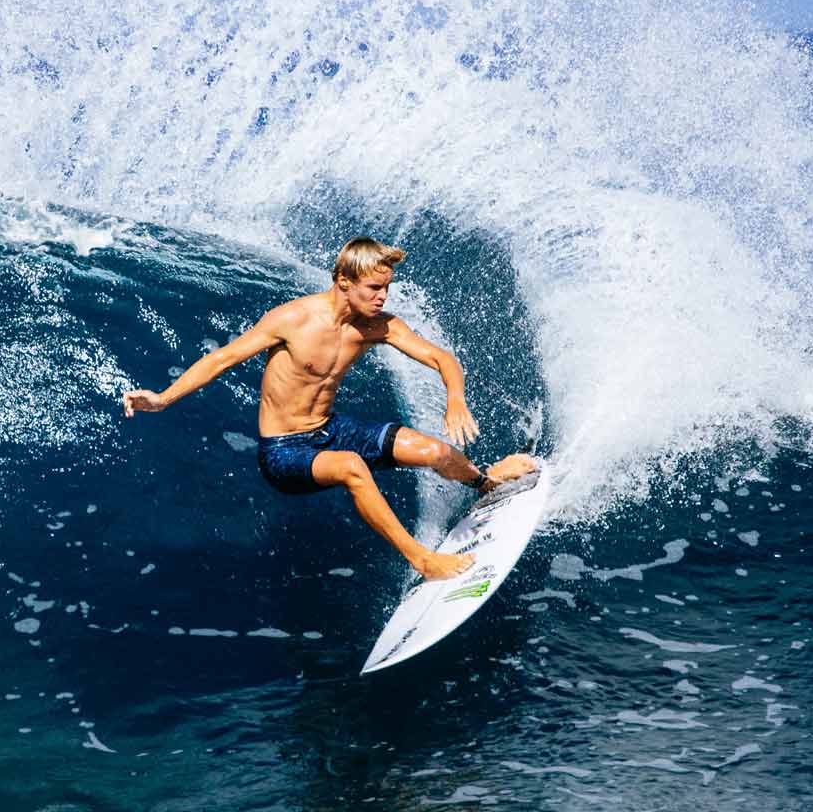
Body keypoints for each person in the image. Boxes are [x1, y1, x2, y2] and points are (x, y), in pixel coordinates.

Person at [123, 237, 535, 580]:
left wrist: (455, 399)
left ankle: (486, 484)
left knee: (436, 452)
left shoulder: (378, 326)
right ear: (343, 282)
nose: (382, 297)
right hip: (285, 452)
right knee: (352, 466)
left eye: (386, 289)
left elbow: (442, 359)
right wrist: (162, 399)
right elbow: (221, 360)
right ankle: (422, 559)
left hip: (330, 428)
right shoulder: (293, 319)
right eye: (373, 289)